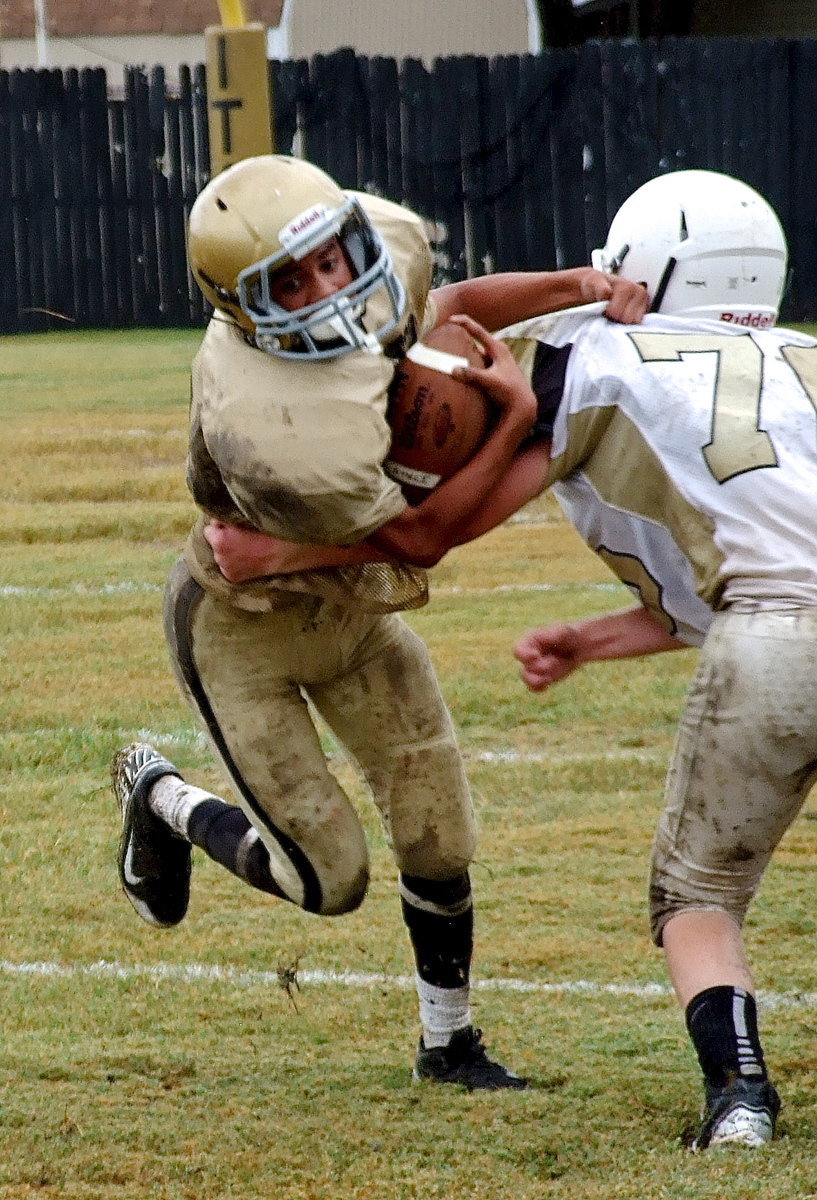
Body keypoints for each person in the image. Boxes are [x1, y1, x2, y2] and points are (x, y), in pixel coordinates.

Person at [112, 152, 648, 1091]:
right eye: (288, 281)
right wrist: (516, 411)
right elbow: (425, 535)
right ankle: (157, 792)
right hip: (244, 626)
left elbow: (451, 305)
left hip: (352, 612)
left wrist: (581, 285)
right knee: (329, 879)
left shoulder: (374, 243)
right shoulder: (270, 424)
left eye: (329, 258)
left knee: (438, 831)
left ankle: (450, 1045)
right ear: (240, 305)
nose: (326, 287)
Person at [489, 170, 813, 1149]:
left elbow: (454, 337)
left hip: (774, 639)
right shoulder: (801, 356)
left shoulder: (598, 352)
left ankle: (741, 1098)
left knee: (698, 893)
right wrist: (590, 639)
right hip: (770, 615)